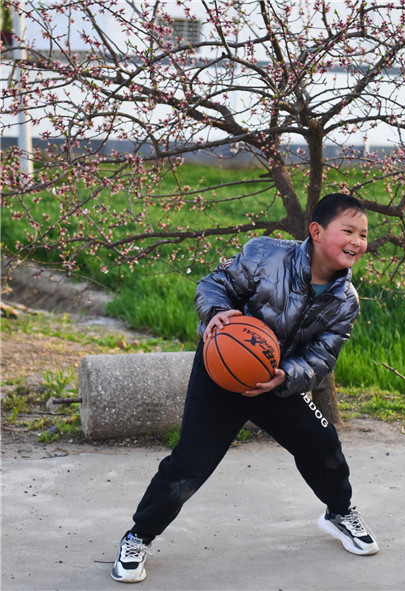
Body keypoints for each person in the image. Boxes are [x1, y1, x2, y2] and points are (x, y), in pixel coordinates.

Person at [112, 193, 379, 584]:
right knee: (189, 464)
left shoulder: (345, 300)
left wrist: (285, 376)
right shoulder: (264, 255)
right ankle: (138, 536)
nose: (357, 240)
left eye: (364, 234)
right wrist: (217, 312)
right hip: (221, 373)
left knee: (323, 445)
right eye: (348, 231)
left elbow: (323, 356)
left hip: (275, 379)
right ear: (317, 231)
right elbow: (213, 285)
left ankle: (338, 513)